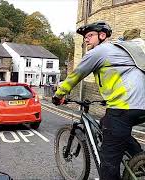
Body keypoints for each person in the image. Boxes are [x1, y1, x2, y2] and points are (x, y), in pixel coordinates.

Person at [52, 21, 145, 180]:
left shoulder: (100, 51)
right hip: (138, 106)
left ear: (102, 36)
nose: (86, 40)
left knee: (108, 162)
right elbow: (121, 79)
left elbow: (76, 74)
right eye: (84, 37)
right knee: (106, 123)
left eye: (90, 35)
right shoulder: (121, 51)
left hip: (124, 107)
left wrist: (58, 96)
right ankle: (139, 159)